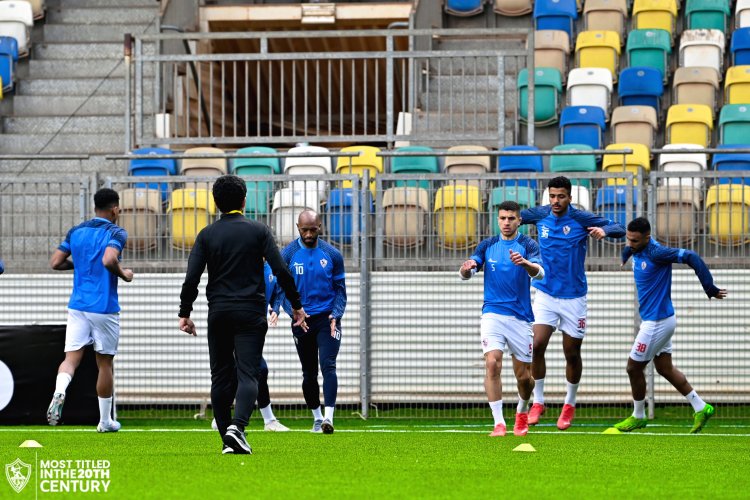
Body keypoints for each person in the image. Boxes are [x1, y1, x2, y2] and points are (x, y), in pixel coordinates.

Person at [179, 175, 307, 455]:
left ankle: (228, 439)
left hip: (219, 313)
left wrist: (185, 312)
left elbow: (192, 278)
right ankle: (237, 429)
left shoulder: (207, 235)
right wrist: (296, 305)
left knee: (220, 377)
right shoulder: (259, 231)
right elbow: (281, 271)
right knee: (249, 372)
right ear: (244, 201)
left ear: (215, 203)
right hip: (251, 312)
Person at [520, 176, 626, 430]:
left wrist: (605, 231)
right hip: (545, 292)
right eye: (552, 196)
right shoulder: (540, 214)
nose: (556, 201)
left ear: (570, 197)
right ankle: (539, 401)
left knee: (571, 352)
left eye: (561, 196)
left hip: (574, 297)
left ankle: (569, 403)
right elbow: (514, 215)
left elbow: (620, 227)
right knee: (537, 344)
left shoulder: (582, 218)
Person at [614, 217, 727, 433]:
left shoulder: (657, 253)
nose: (630, 244)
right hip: (659, 319)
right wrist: (625, 254)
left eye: (635, 241)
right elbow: (629, 248)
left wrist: (709, 287)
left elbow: (691, 256)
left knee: (633, 367)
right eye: (629, 239)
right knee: (664, 368)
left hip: (657, 322)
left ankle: (638, 415)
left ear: (647, 238)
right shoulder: (635, 246)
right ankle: (701, 407)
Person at [47, 188, 132, 432]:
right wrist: (124, 275)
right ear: (114, 209)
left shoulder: (76, 231)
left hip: (77, 305)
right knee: (104, 364)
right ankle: (105, 421)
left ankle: (59, 391)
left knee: (70, 359)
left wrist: (80, 265)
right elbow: (108, 259)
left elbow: (55, 262)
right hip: (103, 307)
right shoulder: (116, 231)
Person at [460, 201, 545, 437]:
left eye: (511, 219)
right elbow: (471, 268)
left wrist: (526, 264)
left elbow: (540, 272)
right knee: (492, 363)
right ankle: (499, 423)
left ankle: (521, 410)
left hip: (520, 317)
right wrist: (466, 269)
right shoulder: (488, 245)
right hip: (492, 313)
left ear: (519, 221)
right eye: (502, 218)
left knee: (524, 377)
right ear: (497, 220)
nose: (506, 222)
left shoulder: (528, 244)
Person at [280, 209, 346, 434]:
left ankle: (329, 418)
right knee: (308, 372)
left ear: (320, 227)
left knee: (328, 365)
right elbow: (282, 292)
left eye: (313, 229)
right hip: (301, 321)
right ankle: (317, 418)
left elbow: (340, 291)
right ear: (297, 228)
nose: (309, 234)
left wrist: (336, 314)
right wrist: (293, 313)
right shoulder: (287, 254)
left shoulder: (332, 254)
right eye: (304, 230)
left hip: (327, 320)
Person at [210, 260, 290, 432]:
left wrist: (275, 308)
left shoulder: (271, 267)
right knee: (256, 369)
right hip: (238, 327)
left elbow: (278, 291)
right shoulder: (242, 266)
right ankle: (267, 420)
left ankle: (221, 417)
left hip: (255, 328)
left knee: (246, 370)